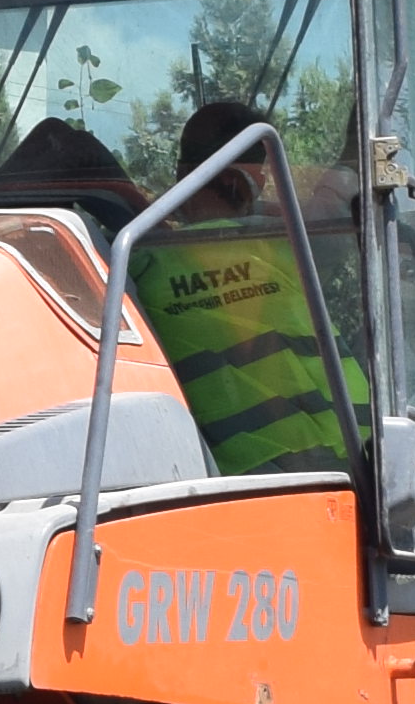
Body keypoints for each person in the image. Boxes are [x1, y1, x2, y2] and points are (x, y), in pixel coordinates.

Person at [122, 98, 355, 474]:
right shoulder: (285, 246)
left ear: (182, 173)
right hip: (342, 460)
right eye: (263, 174)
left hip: (250, 476)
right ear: (242, 181)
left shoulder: (136, 266)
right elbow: (336, 203)